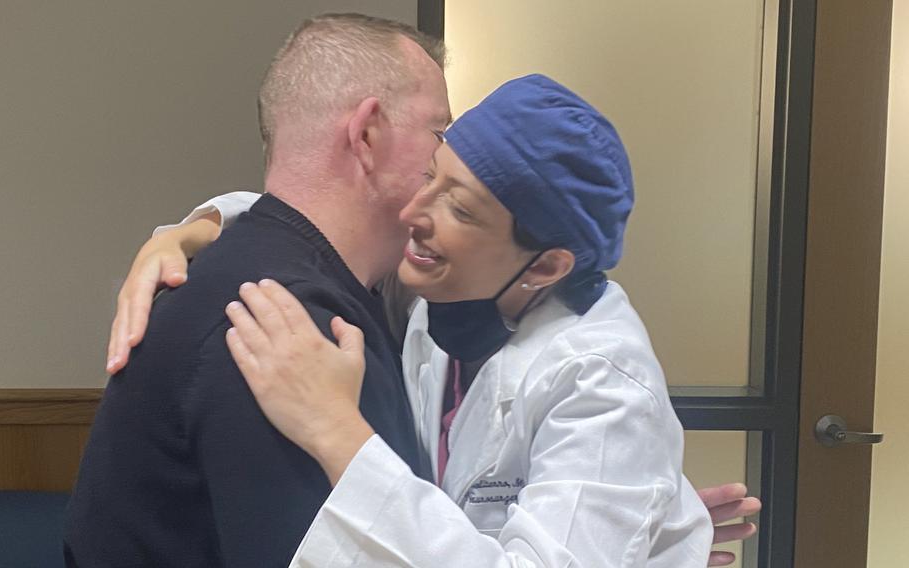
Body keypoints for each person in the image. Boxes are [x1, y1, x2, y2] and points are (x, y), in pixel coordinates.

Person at [112, 75, 761, 566]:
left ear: (547, 266)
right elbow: (314, 219)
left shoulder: (602, 378)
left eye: (462, 209)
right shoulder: (452, 284)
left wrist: (336, 430)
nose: (416, 211)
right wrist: (190, 230)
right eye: (431, 174)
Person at [64, 14, 451, 567]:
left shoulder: (251, 269)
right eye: (439, 132)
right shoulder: (287, 328)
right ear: (366, 134)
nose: (447, 162)